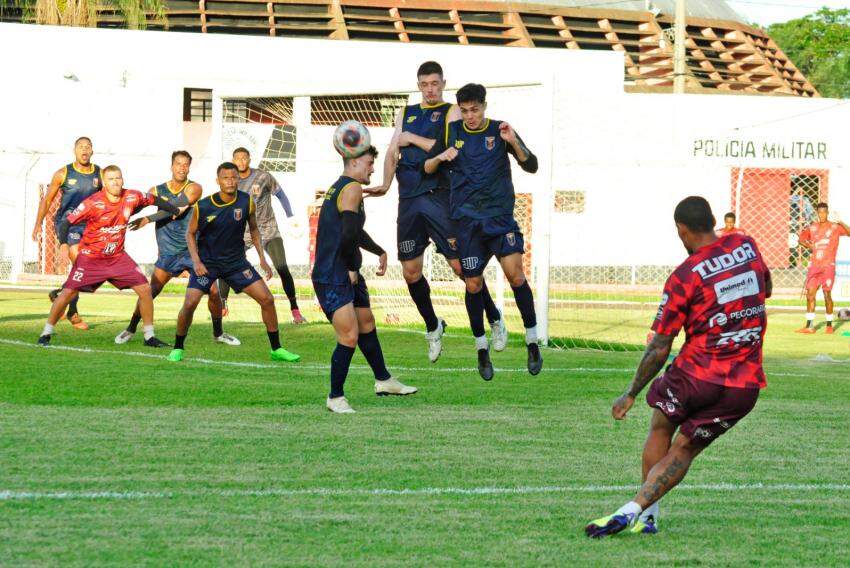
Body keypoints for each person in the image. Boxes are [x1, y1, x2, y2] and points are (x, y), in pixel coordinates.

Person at [585, 196, 771, 538]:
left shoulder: (685, 275)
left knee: (660, 428)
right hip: (743, 387)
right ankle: (637, 512)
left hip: (695, 376)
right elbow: (767, 287)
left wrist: (630, 394)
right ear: (714, 221)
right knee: (684, 449)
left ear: (681, 230)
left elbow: (659, 347)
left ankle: (645, 515)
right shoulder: (746, 245)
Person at [366, 61, 506, 362]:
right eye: (424, 84)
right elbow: (393, 150)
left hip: (441, 198)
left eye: (434, 83)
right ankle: (433, 326)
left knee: (461, 269)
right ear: (418, 85)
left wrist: (412, 139)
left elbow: (452, 146)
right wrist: (386, 183)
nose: (430, 89)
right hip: (409, 200)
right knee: (410, 271)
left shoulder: (451, 112)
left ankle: (493, 317)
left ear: (443, 83)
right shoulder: (405, 112)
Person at [424, 83, 541, 381]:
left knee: (516, 275)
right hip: (468, 224)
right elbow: (427, 167)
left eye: (474, 110)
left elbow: (532, 165)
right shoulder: (452, 132)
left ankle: (532, 342)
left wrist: (514, 142)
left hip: (499, 219)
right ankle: (481, 349)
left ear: (484, 107)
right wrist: (441, 157)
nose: (470, 116)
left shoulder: (500, 131)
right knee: (473, 285)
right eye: (464, 111)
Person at [313, 144, 417, 413]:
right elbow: (348, 235)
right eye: (370, 163)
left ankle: (384, 380)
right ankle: (335, 397)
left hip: (347, 269)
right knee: (349, 336)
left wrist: (378, 250)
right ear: (354, 162)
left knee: (366, 323)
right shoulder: (352, 188)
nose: (372, 168)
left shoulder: (342, 186)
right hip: (334, 273)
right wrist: (350, 266)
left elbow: (353, 231)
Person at [37, 165, 183, 347]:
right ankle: (46, 333)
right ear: (104, 183)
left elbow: (154, 200)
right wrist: (64, 245)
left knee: (145, 289)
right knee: (67, 292)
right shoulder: (92, 203)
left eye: (118, 178)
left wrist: (176, 211)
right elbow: (66, 223)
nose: (116, 182)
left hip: (117, 257)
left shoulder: (132, 196)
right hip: (91, 258)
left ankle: (149, 336)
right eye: (111, 179)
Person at [168, 162, 300, 363]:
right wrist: (196, 262)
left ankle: (277, 349)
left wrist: (262, 259)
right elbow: (190, 234)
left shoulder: (247, 201)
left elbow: (254, 230)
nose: (230, 181)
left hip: (236, 264)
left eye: (233, 177)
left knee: (267, 299)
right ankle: (178, 347)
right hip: (207, 264)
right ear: (218, 180)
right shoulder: (203, 206)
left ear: (239, 179)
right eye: (225, 178)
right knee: (190, 303)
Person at [115, 151, 239, 346]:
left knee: (214, 292)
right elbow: (134, 206)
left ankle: (218, 334)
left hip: (192, 252)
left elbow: (176, 207)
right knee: (150, 291)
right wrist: (121, 210)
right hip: (168, 253)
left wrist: (148, 218)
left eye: (185, 164)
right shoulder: (156, 190)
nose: (181, 167)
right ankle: (130, 329)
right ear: (171, 166)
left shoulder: (195, 188)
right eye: (178, 164)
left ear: (189, 167)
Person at [218, 148, 305, 323]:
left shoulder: (263, 176)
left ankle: (295, 310)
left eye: (244, 158)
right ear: (233, 160)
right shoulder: (231, 182)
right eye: (238, 159)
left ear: (249, 159)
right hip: (243, 232)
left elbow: (281, 195)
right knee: (225, 264)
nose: (241, 161)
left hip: (268, 229)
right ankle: (222, 305)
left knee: (282, 267)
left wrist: (290, 217)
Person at [31, 136, 101, 330]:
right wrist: (38, 224)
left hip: (91, 227)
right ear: (75, 150)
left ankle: (60, 294)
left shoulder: (100, 174)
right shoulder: (63, 173)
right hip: (67, 225)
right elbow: (46, 200)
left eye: (88, 147)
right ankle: (73, 312)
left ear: (92, 151)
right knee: (79, 263)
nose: (84, 150)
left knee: (89, 270)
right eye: (81, 147)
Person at [796, 203, 849, 334]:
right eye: (820, 212)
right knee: (810, 295)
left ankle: (829, 325)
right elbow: (801, 239)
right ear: (817, 213)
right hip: (815, 266)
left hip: (828, 266)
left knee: (827, 295)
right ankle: (809, 326)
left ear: (828, 212)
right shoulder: (812, 227)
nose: (822, 215)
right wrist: (810, 247)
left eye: (824, 212)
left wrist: (841, 221)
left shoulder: (835, 227)